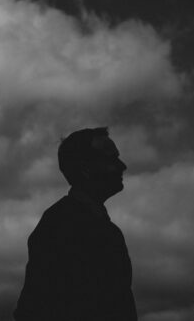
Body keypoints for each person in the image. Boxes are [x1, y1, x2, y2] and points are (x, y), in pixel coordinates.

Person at [13, 127, 138, 321]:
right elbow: (34, 307)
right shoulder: (59, 225)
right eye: (111, 158)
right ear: (86, 168)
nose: (122, 165)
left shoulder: (104, 229)